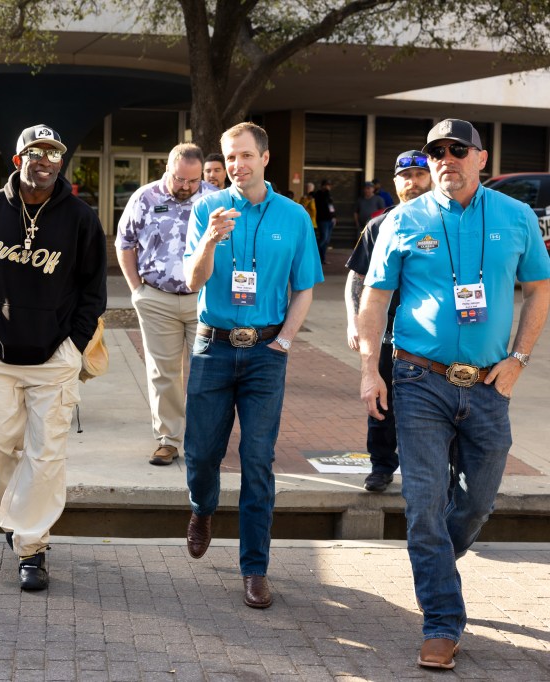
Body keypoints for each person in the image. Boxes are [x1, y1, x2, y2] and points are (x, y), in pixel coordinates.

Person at [358, 119, 550, 669]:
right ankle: (441, 622)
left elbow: (539, 288)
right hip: (419, 379)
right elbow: (375, 299)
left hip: (490, 384)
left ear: (481, 158)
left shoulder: (515, 216)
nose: (446, 158)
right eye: (435, 151)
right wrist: (370, 370)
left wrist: (518, 359)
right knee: (423, 504)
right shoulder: (402, 219)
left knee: (478, 501)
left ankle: (436, 560)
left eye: (457, 149)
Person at [183, 122, 323, 609]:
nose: (237, 165)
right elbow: (192, 281)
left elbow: (304, 287)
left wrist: (285, 340)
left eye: (245, 155)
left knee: (258, 459)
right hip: (213, 347)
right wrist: (209, 242)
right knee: (201, 453)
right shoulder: (207, 209)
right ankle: (202, 508)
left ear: (265, 157)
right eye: (229, 157)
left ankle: (255, 568)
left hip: (265, 353)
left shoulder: (294, 216)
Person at [0, 124, 107, 591]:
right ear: (18, 160)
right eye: (35, 152)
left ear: (61, 162)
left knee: (45, 455)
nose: (44, 160)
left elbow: (93, 292)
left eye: (53, 153)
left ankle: (32, 546)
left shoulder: (81, 217)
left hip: (54, 357)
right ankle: (13, 516)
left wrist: (74, 345)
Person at [345, 150, 432, 493]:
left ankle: (434, 471)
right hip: (387, 334)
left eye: (419, 175)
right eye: (405, 177)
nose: (413, 183)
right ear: (395, 183)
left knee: (432, 406)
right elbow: (357, 278)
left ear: (431, 177)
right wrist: (354, 321)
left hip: (430, 337)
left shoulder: (449, 223)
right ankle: (381, 466)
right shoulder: (379, 225)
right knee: (381, 403)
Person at [116, 143, 207, 466]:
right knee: (163, 373)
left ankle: (203, 441)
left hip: (203, 300)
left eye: (193, 180)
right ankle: (168, 440)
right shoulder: (145, 197)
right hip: (156, 298)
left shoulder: (215, 199)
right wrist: (137, 290)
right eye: (180, 179)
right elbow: (124, 243)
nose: (186, 186)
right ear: (167, 169)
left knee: (207, 372)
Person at [313, 179, 336, 263]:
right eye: (326, 185)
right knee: (323, 238)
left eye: (329, 185)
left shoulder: (328, 195)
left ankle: (322, 258)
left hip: (330, 219)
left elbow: (331, 206)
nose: (328, 187)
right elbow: (321, 203)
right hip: (322, 220)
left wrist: (334, 217)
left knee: (327, 241)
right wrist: (326, 192)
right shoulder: (319, 194)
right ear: (322, 186)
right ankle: (314, 255)